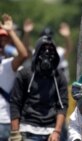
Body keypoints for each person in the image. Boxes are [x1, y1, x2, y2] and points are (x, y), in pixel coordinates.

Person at [9, 35, 68, 141]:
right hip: (27, 130)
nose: (47, 52)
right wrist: (14, 132)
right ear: (37, 52)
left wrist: (57, 131)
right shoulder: (24, 73)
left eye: (50, 49)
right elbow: (15, 102)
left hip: (51, 133)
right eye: (43, 48)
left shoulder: (59, 77)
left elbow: (62, 105)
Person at [0, 13, 28, 141]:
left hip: (5, 121)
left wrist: (10, 31)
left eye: (3, 39)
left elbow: (23, 55)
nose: (1, 41)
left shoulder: (7, 65)